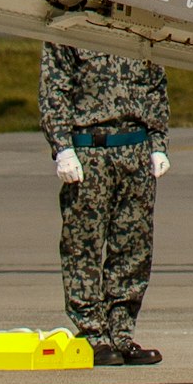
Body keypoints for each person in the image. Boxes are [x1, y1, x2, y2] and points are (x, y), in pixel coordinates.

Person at [41, 38, 172, 363]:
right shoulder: (71, 28)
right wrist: (62, 147)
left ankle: (121, 333)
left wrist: (158, 141)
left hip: (135, 147)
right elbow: (54, 88)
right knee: (82, 243)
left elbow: (156, 84)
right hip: (90, 149)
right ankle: (93, 335)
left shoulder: (137, 24)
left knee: (133, 246)